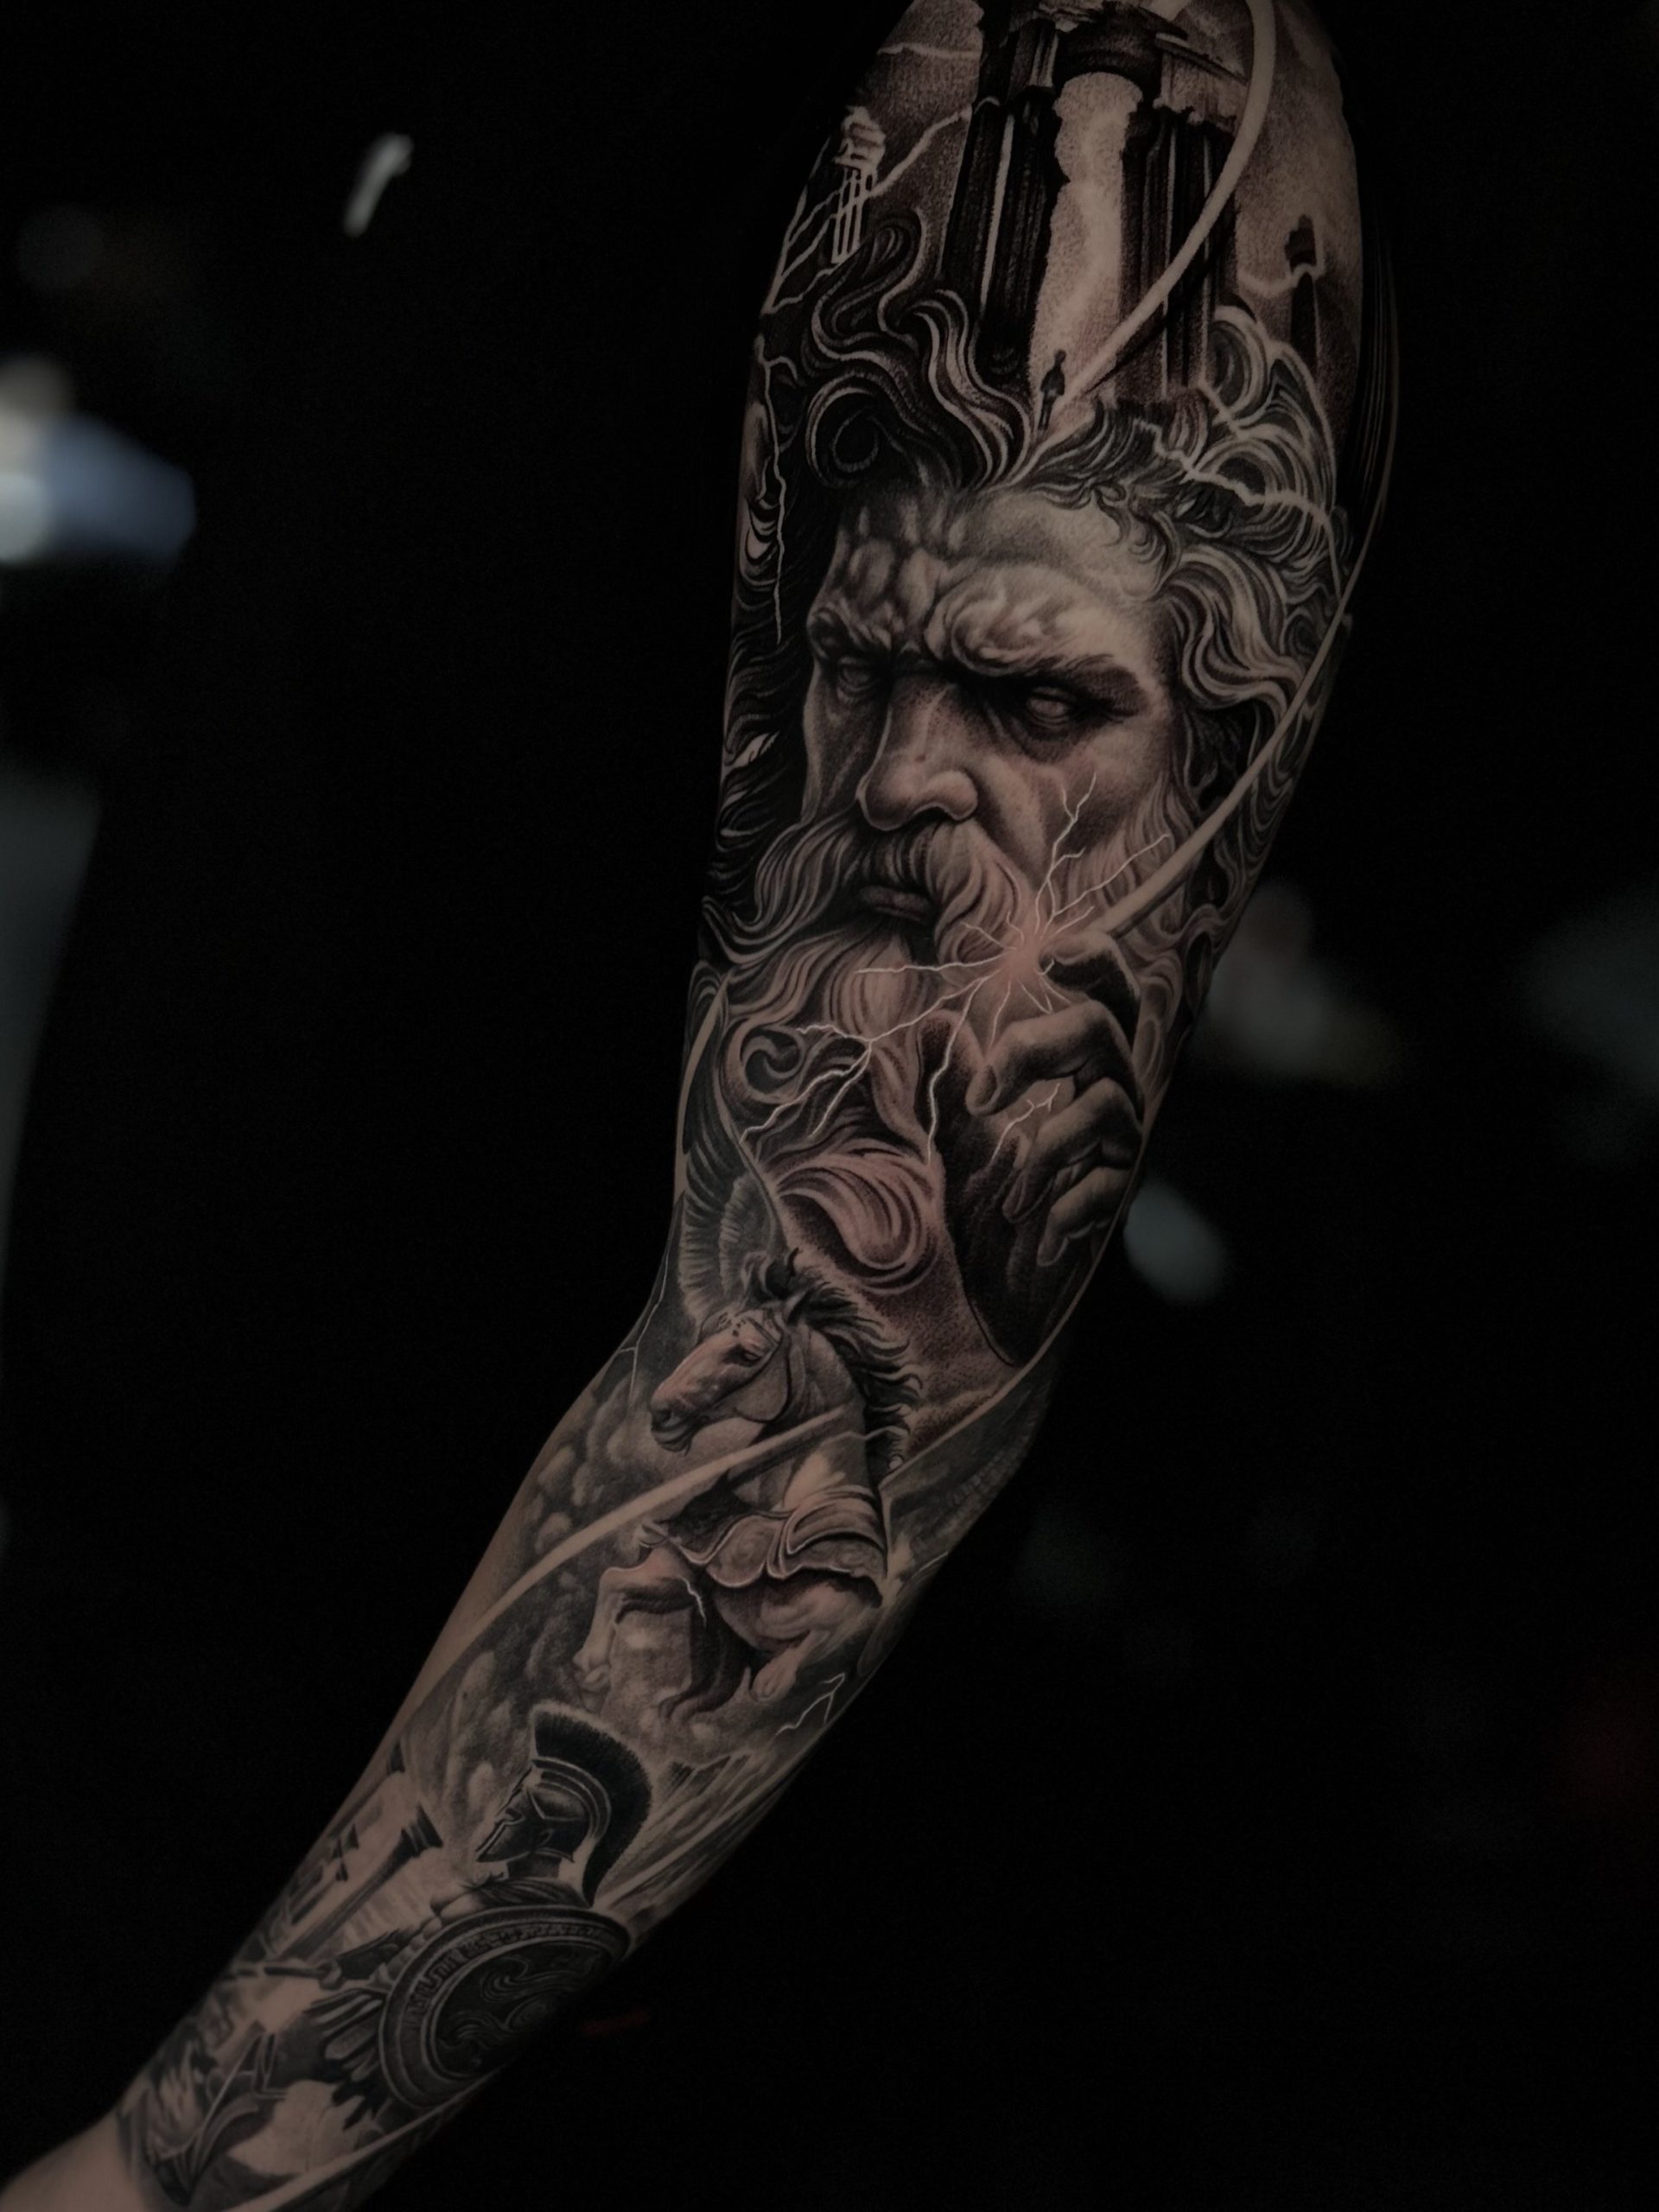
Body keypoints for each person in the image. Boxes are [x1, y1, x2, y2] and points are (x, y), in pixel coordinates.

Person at [0, 3, 1394, 2205]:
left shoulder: (1089, 98)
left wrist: (166, 2177)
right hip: (110, 1763)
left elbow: (853, 1357)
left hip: (388, 2013)